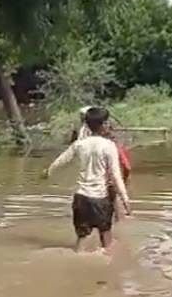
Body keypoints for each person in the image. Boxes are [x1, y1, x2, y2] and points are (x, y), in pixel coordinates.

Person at [45, 107, 131, 252]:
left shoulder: (79, 144)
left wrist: (47, 172)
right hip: (100, 199)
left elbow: (60, 161)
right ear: (103, 124)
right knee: (106, 240)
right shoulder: (109, 146)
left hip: (81, 198)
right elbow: (116, 176)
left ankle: (77, 264)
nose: (109, 125)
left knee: (81, 239)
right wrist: (125, 199)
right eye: (107, 122)